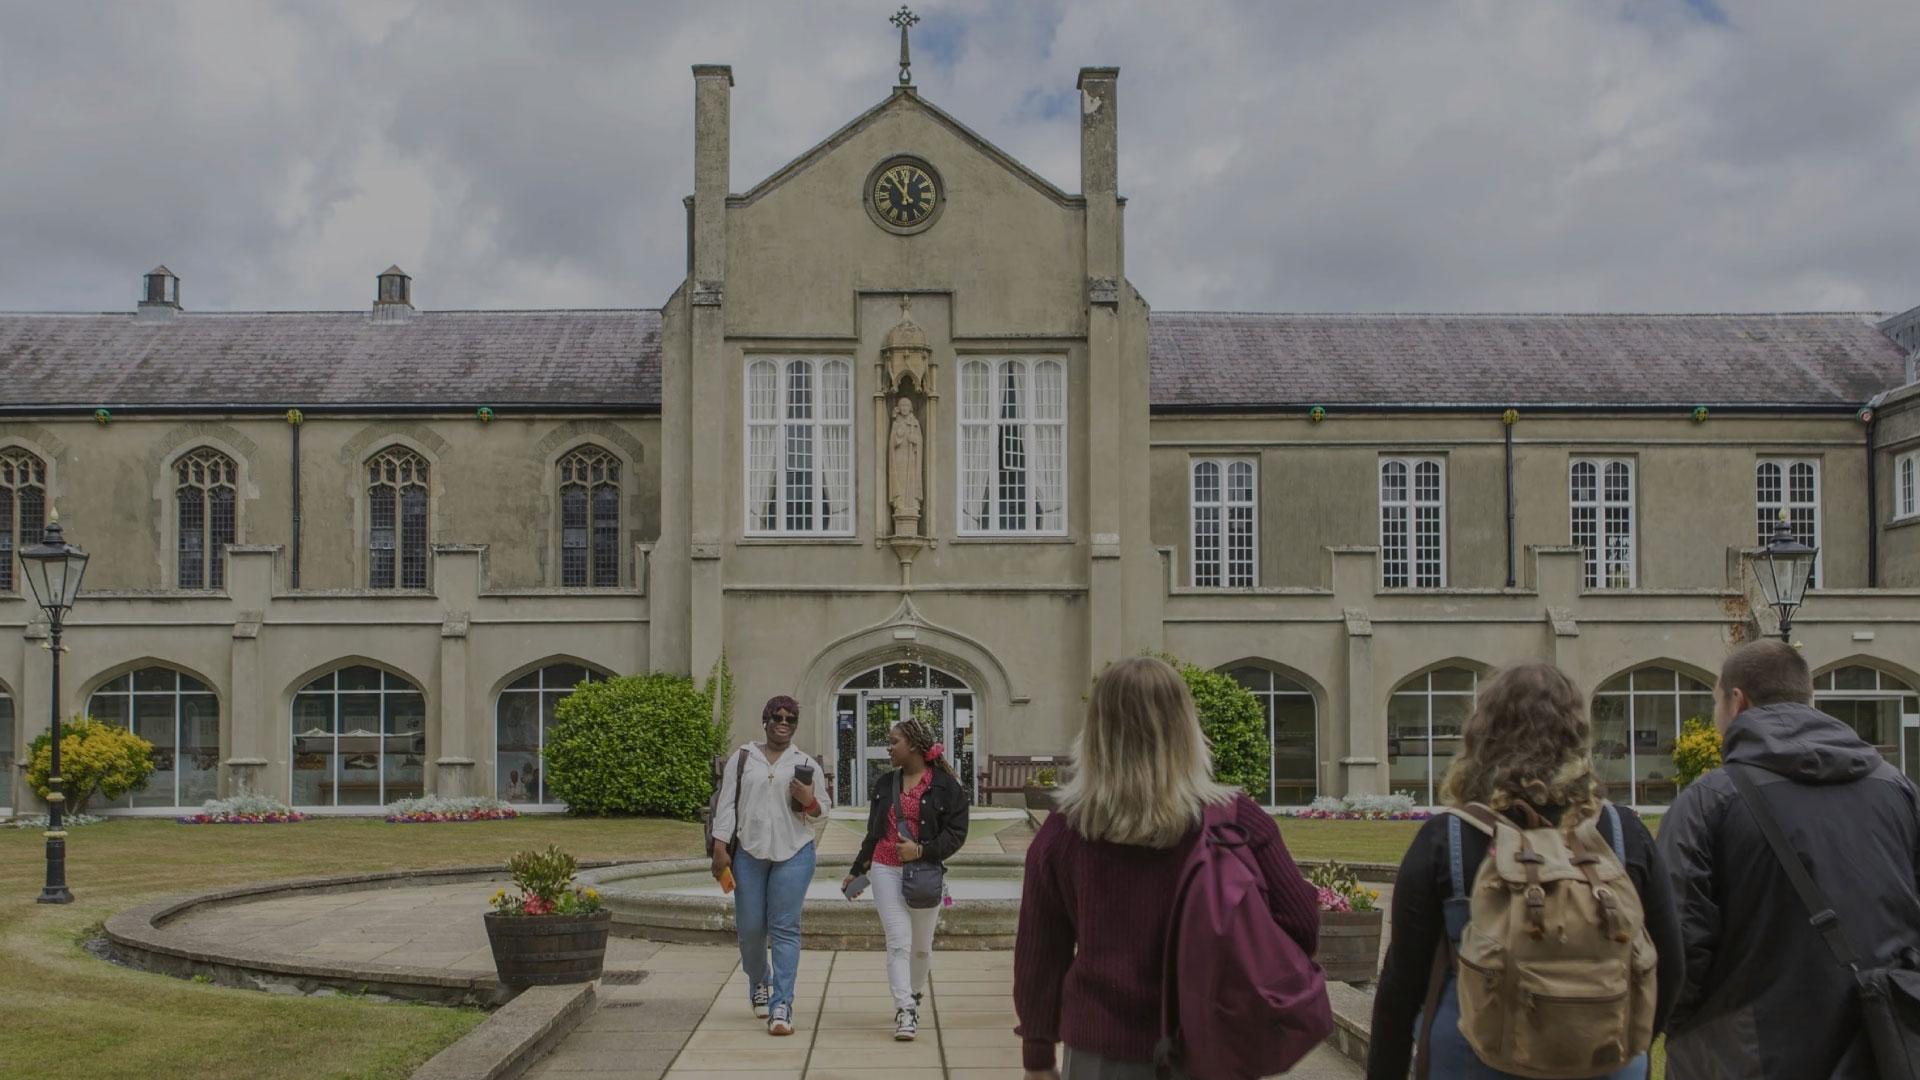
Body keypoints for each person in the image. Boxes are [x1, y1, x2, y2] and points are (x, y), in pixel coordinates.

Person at [1368, 661, 1684, 1079]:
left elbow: (1400, 988)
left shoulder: (1450, 839)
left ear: (1483, 736)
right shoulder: (1622, 833)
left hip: (1473, 1059)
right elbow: (1670, 966)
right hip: (1603, 1059)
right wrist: (1627, 1044)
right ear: (1576, 735)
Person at [1014, 655, 1320, 1080]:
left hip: (1102, 1052)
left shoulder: (1065, 829)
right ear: (1186, 727)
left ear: (1096, 731)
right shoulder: (1236, 821)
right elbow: (1301, 924)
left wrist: (1037, 1054)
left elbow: (1040, 954)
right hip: (1213, 1043)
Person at [1657, 639, 1920, 1078]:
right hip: (1880, 1048)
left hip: (1746, 1057)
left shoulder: (1707, 803)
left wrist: (1688, 1029)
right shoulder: (1898, 790)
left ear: (1736, 700)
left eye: (1716, 702)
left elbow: (1676, 948)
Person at [844, 714, 970, 1041]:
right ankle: (905, 1009)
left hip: (925, 872)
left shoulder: (946, 787)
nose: (888, 747)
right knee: (898, 941)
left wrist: (922, 850)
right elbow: (874, 833)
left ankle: (914, 993)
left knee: (922, 949)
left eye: (893, 742)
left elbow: (957, 834)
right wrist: (857, 870)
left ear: (912, 745)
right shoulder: (885, 784)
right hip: (885, 868)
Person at [709, 695, 825, 1037]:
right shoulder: (744, 757)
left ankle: (782, 1005)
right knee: (750, 929)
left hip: (795, 852)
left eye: (791, 718)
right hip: (749, 852)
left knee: (785, 928)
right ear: (766, 720)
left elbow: (823, 811)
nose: (784, 723)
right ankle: (759, 980)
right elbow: (726, 805)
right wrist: (720, 847)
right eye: (778, 717)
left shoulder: (805, 762)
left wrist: (809, 801)